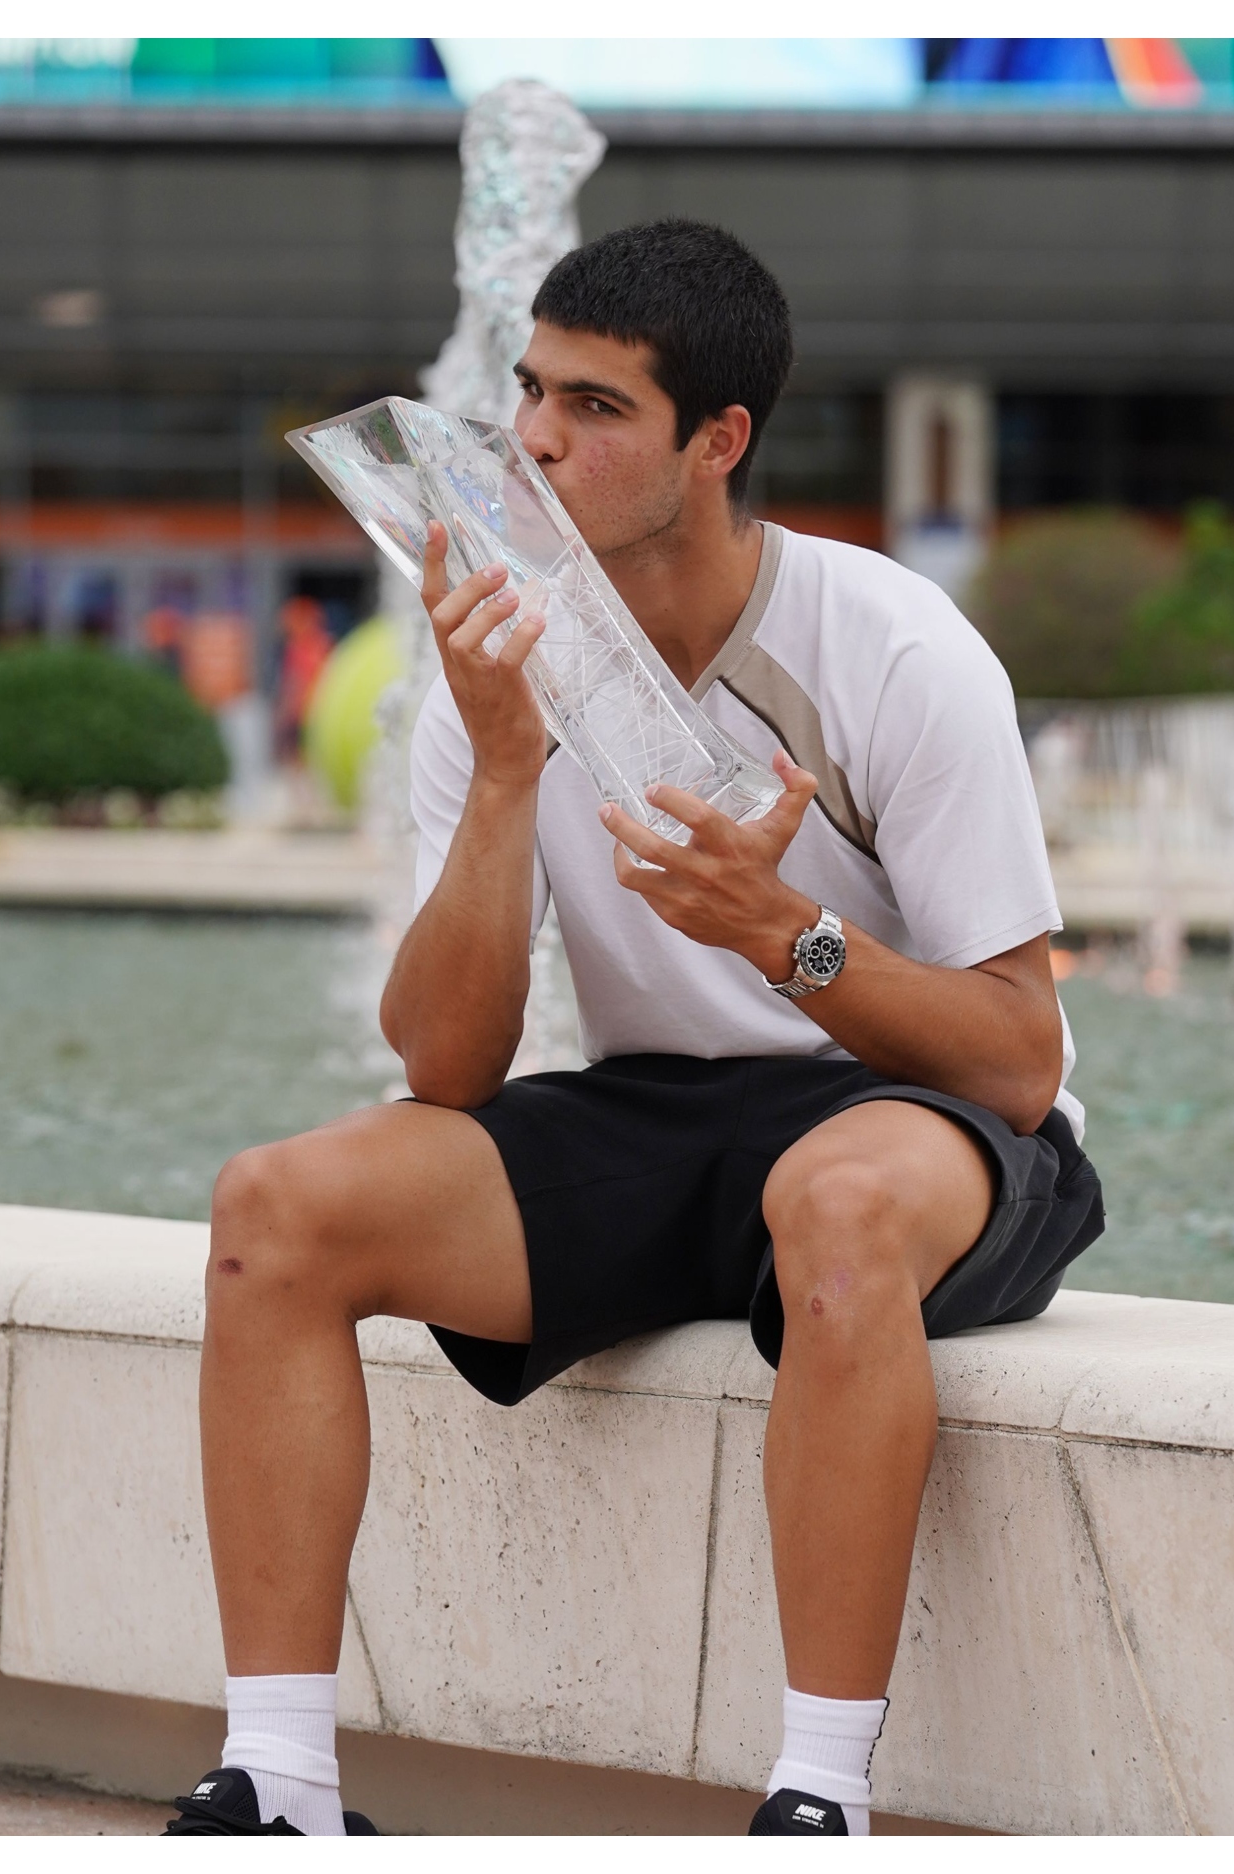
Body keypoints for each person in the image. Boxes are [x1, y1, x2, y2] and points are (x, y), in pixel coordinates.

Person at [171, 219, 1103, 1837]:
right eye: (532, 393)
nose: (533, 439)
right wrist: (509, 768)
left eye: (595, 409)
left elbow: (1021, 1054)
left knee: (837, 1200)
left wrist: (782, 936)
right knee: (276, 1208)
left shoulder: (891, 645)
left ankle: (817, 1800)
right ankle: (281, 1785)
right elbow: (446, 1069)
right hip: (661, 1108)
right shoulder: (500, 661)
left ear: (716, 442)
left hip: (907, 1116)